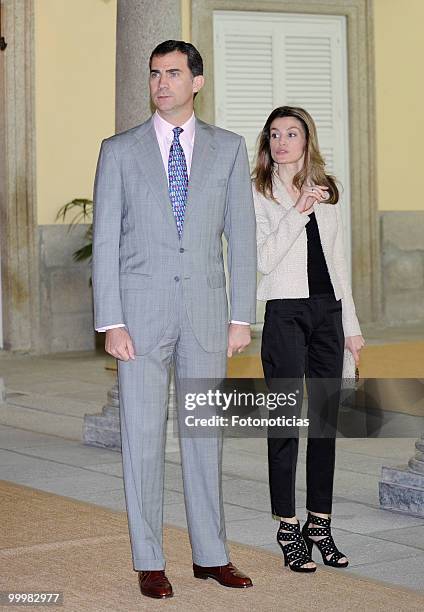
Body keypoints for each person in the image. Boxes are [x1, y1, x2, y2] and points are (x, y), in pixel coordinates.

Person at [92, 40, 257, 599]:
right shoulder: (119, 151)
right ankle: (149, 559)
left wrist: (241, 316)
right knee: (140, 437)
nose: (162, 83)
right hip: (138, 317)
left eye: (174, 73)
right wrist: (110, 321)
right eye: (155, 74)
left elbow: (242, 237)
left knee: (203, 435)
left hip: (209, 314)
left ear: (197, 82)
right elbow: (107, 241)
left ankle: (211, 555)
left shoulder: (230, 149)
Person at [252, 106, 364, 573]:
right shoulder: (257, 191)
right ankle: (287, 525)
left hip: (329, 314)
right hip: (284, 313)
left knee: (324, 424)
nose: (282, 142)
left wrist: (352, 330)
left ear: (306, 140)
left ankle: (319, 524)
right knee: (284, 424)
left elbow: (339, 264)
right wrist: (297, 212)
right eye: (274, 134)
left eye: (291, 133)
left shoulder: (330, 190)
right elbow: (263, 260)